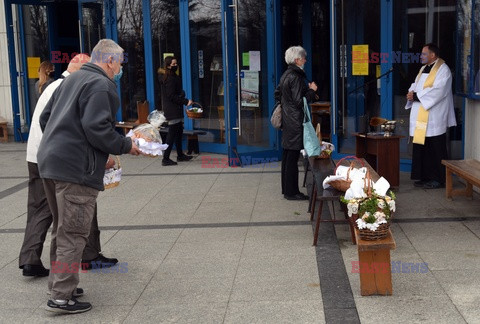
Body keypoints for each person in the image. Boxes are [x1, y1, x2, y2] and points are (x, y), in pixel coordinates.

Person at [37, 39, 141, 314]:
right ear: (108, 60)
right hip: (75, 170)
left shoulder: (70, 80)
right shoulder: (101, 85)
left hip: (49, 163)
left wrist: (64, 142)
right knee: (73, 233)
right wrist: (126, 146)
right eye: (119, 63)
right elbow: (98, 129)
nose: (120, 68)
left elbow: (46, 119)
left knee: (62, 229)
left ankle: (61, 284)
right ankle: (61, 296)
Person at [405, 43, 456, 189]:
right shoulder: (423, 69)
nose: (421, 56)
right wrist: (411, 93)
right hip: (421, 112)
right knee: (423, 147)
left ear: (433, 55)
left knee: (435, 148)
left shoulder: (443, 69)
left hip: (434, 116)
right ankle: (424, 176)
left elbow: (439, 91)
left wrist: (417, 96)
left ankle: (439, 179)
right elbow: (415, 84)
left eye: (424, 54)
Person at [274, 46, 318, 200]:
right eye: (303, 58)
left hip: (288, 120)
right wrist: (311, 90)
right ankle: (292, 192)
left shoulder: (286, 74)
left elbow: (278, 94)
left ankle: (287, 190)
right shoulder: (296, 76)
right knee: (292, 157)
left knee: (287, 156)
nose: (305, 60)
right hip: (295, 121)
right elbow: (299, 102)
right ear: (297, 60)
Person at [160, 56, 193, 166]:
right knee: (172, 134)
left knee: (178, 132)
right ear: (168, 65)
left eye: (176, 63)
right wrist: (185, 101)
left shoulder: (172, 76)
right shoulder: (169, 78)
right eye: (174, 64)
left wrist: (181, 93)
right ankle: (165, 158)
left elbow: (174, 92)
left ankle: (180, 155)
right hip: (172, 110)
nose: (176, 65)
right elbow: (171, 95)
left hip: (175, 109)